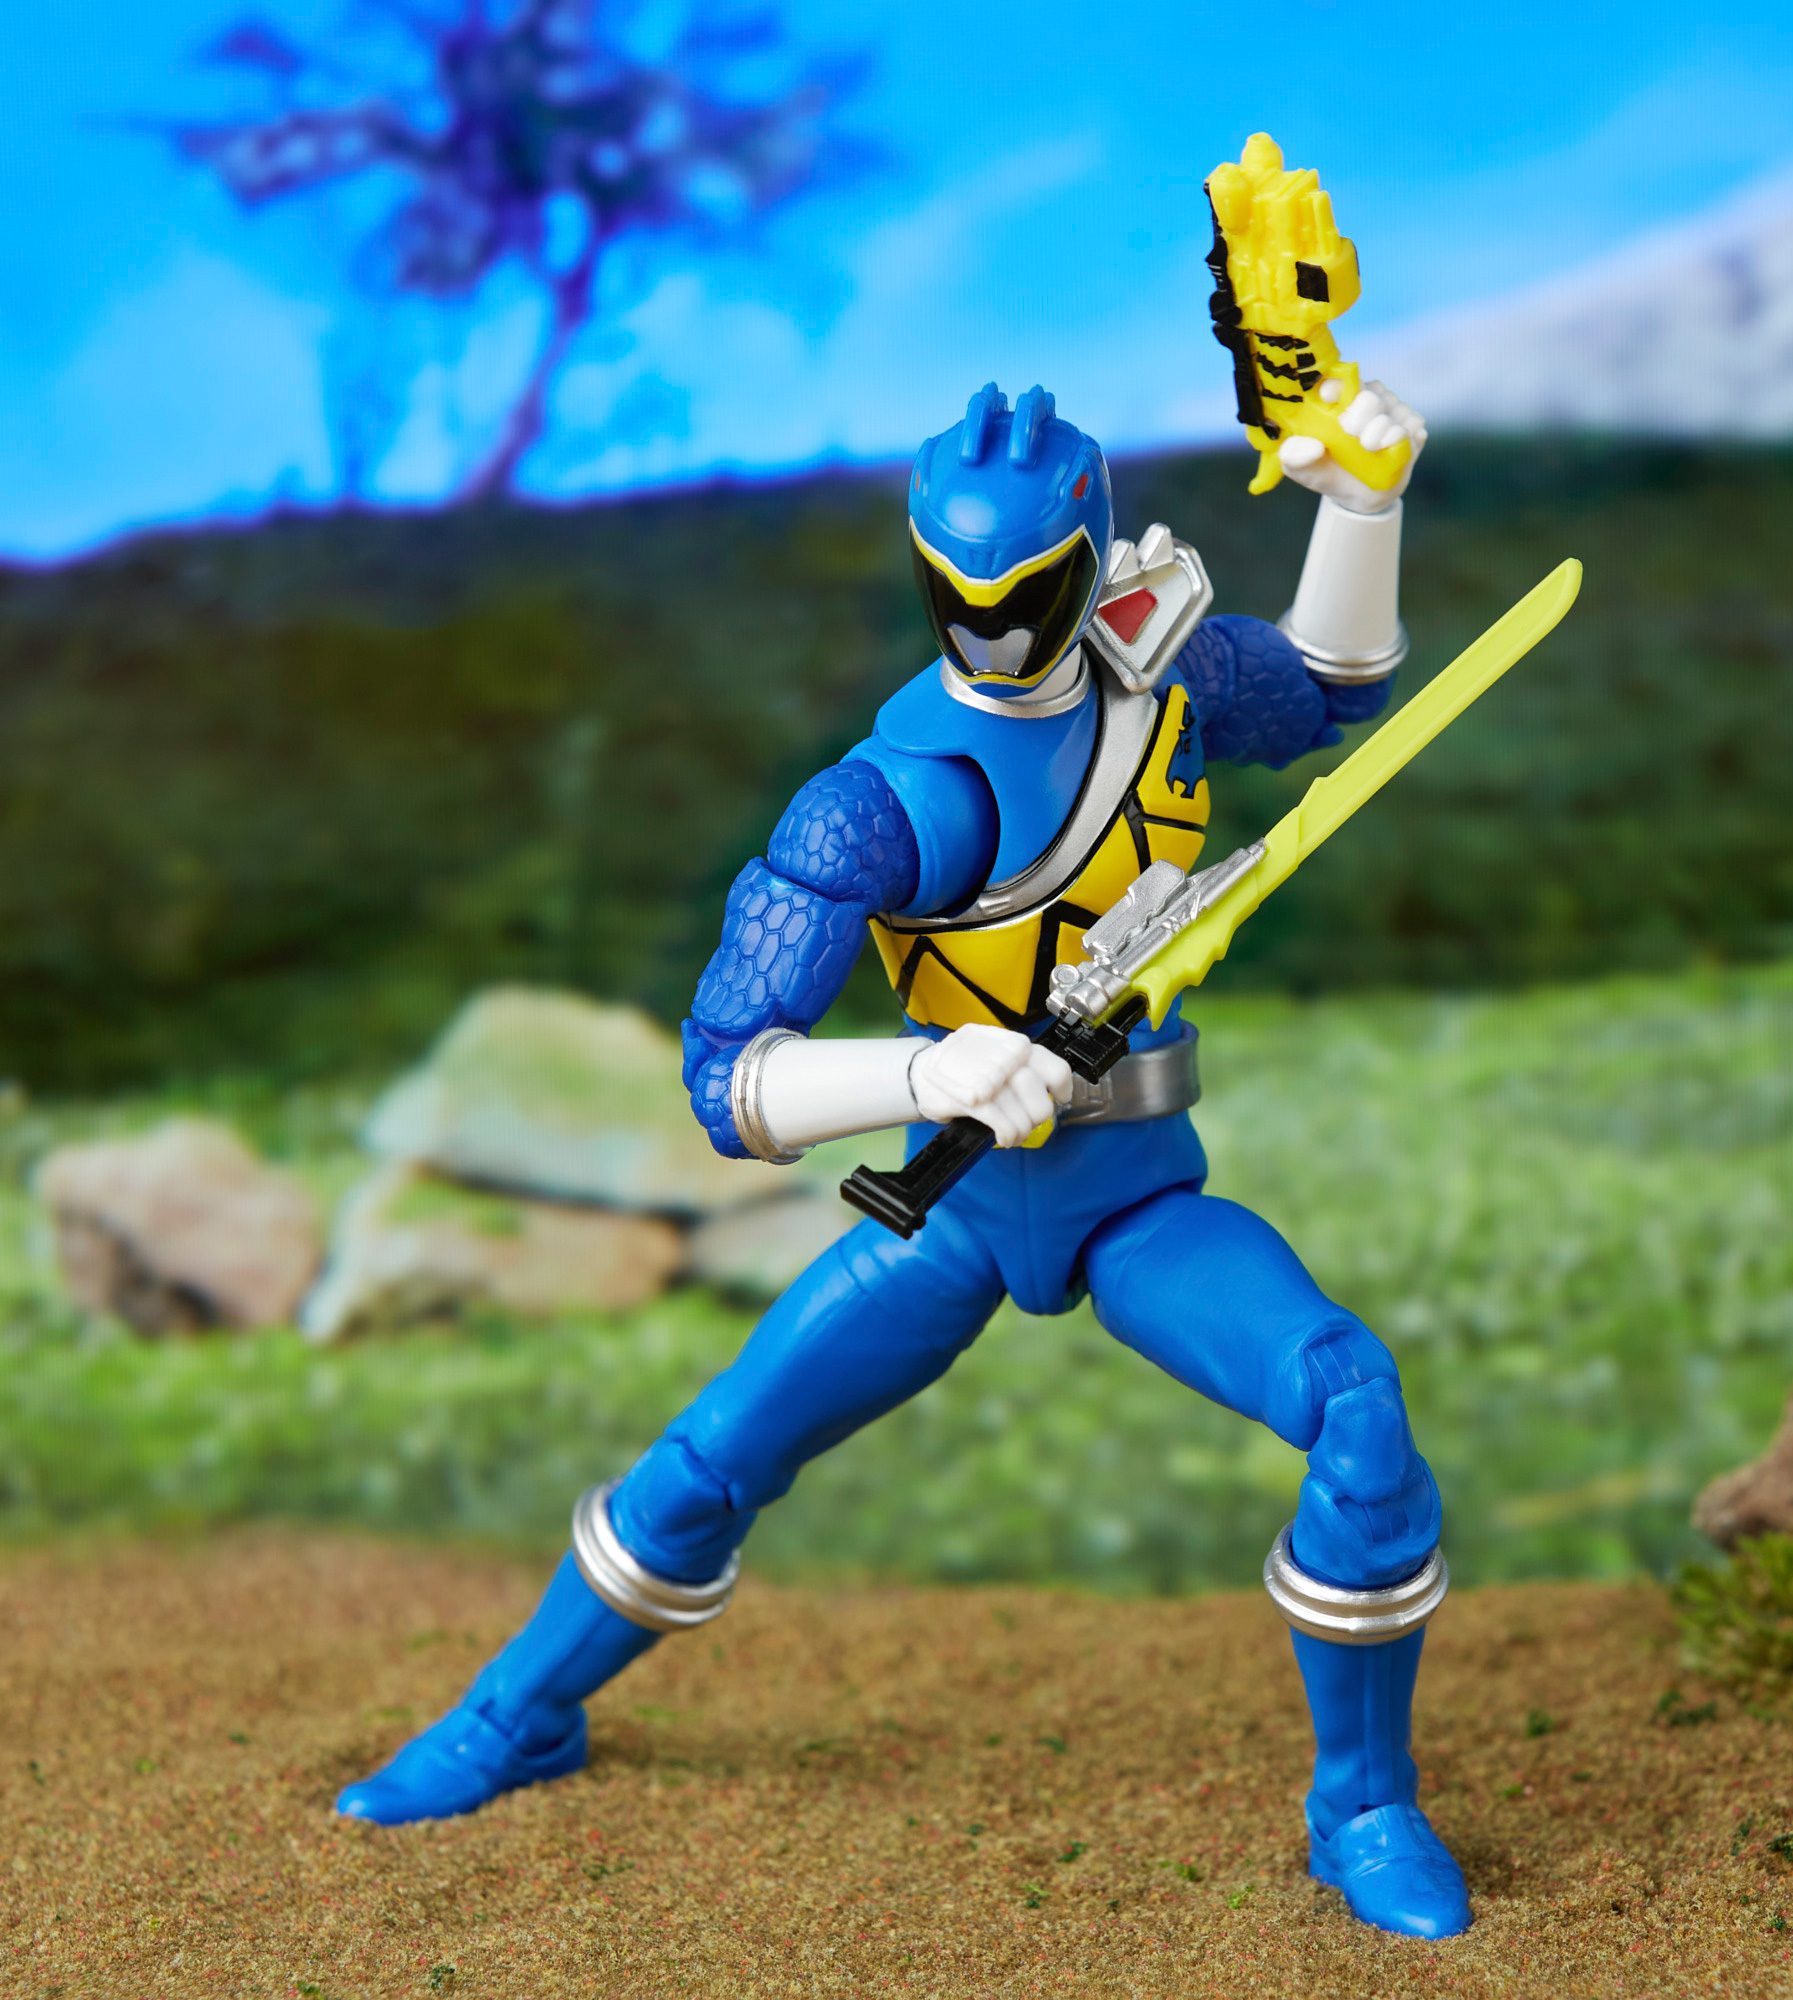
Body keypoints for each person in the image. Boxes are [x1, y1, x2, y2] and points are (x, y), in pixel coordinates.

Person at [337, 376, 1471, 1941]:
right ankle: (513, 1712)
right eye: (963, 603)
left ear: (1087, 568)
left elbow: (1332, 693)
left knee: (1354, 1403)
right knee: (711, 1461)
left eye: (1029, 603)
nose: (996, 640)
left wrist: (1363, 500)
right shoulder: (878, 807)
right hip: (954, 1205)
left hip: (1139, 1190)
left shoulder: (1167, 673)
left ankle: (1364, 1804)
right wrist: (930, 1070)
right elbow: (728, 1078)